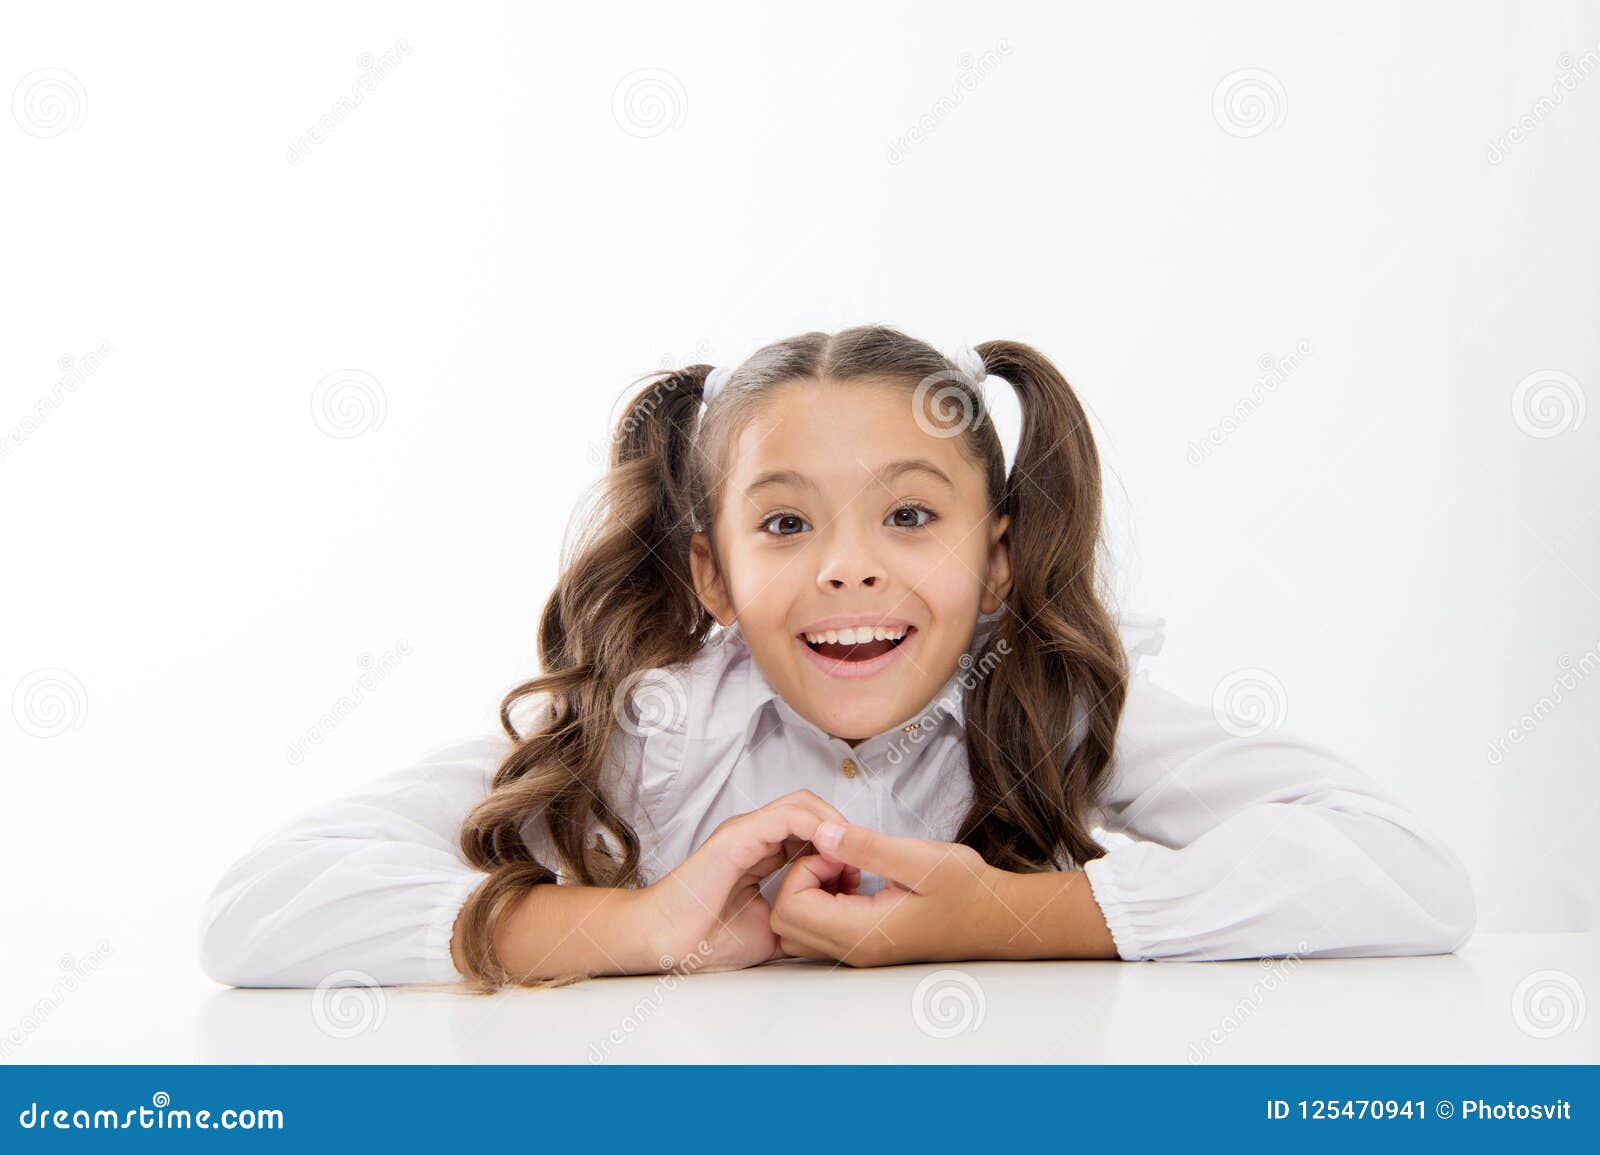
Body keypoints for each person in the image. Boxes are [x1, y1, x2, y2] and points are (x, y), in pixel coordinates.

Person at [198, 325, 1475, 992]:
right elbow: (262, 907)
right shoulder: (647, 729)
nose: (847, 567)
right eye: (786, 523)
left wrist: (1019, 919)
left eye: (909, 516)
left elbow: (1404, 875)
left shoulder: (1053, 707)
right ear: (711, 575)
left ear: (996, 562)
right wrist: (635, 927)